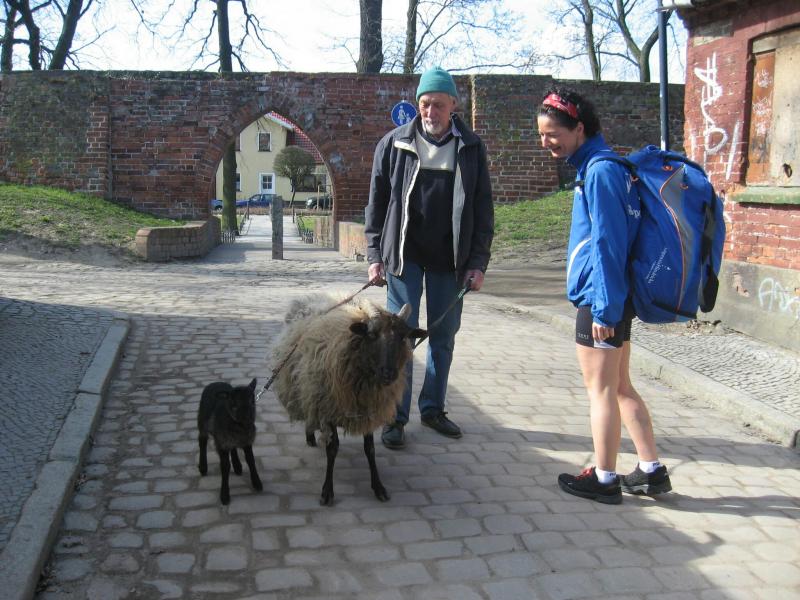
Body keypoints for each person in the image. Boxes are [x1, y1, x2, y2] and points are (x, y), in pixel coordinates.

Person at [537, 87, 672, 504]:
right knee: (620, 385)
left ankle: (605, 477)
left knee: (601, 390)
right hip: (611, 297)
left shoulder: (599, 172)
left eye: (553, 134)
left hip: (601, 300)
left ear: (579, 128)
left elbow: (609, 246)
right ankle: (651, 471)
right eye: (541, 135)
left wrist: (604, 311)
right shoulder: (607, 167)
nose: (546, 142)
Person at [365, 66, 494, 449]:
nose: (430, 112)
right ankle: (394, 418)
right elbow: (376, 204)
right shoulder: (393, 144)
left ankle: (433, 409)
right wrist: (374, 255)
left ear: (454, 105)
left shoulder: (471, 148)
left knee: (443, 336)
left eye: (438, 104)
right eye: (424, 104)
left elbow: (483, 210)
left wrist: (478, 263)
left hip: (450, 261)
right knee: (398, 339)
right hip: (403, 258)